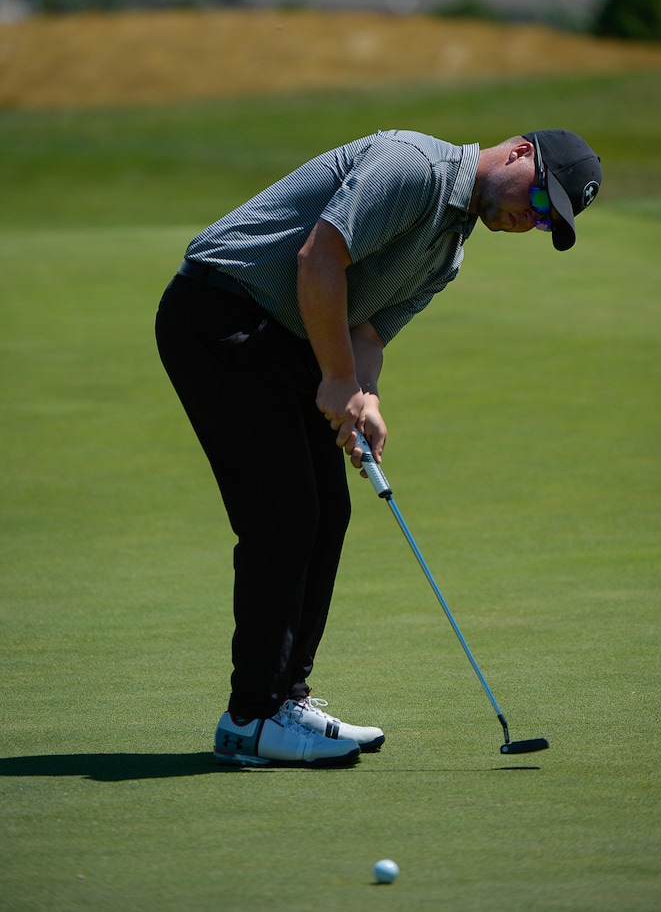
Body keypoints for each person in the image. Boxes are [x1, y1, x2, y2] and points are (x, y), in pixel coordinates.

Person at [155, 127, 601, 768]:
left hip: (286, 340)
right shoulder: (413, 164)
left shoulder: (446, 254)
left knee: (325, 515)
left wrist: (364, 397)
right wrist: (336, 379)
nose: (528, 220)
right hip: (222, 311)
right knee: (284, 517)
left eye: (544, 222)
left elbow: (366, 331)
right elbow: (318, 259)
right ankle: (252, 717)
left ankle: (284, 699)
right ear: (519, 152)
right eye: (537, 202)